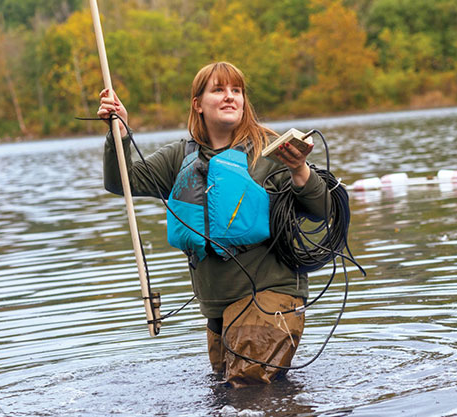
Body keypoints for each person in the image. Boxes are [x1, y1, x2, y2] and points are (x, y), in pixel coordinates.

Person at [98, 62, 331, 387]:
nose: (230, 97)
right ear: (198, 103)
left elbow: (322, 209)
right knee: (232, 393)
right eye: (219, 90)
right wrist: (119, 134)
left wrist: (300, 170)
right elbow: (121, 181)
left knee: (245, 393)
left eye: (236, 91)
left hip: (271, 296)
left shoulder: (270, 149)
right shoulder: (180, 155)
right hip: (219, 310)